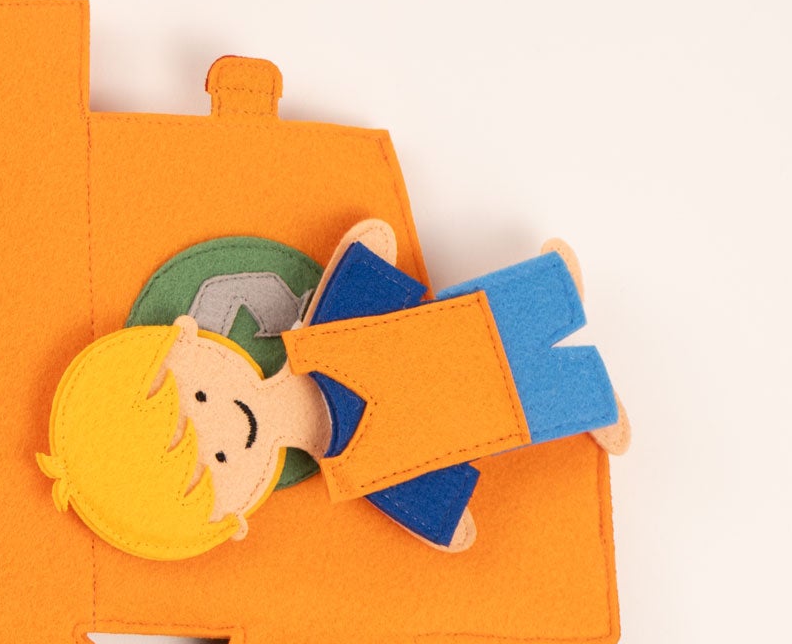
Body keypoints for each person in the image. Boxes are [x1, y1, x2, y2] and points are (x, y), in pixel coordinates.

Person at [38, 225, 628, 559]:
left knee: (467, 321)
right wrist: (442, 514)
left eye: (199, 400)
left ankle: (551, 295)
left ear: (187, 339)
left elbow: (366, 274)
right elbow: (415, 488)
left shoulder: (323, 340)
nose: (229, 427)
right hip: (431, 432)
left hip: (423, 340)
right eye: (217, 458)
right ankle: (587, 395)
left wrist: (368, 260)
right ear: (230, 518)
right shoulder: (357, 466)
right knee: (504, 413)